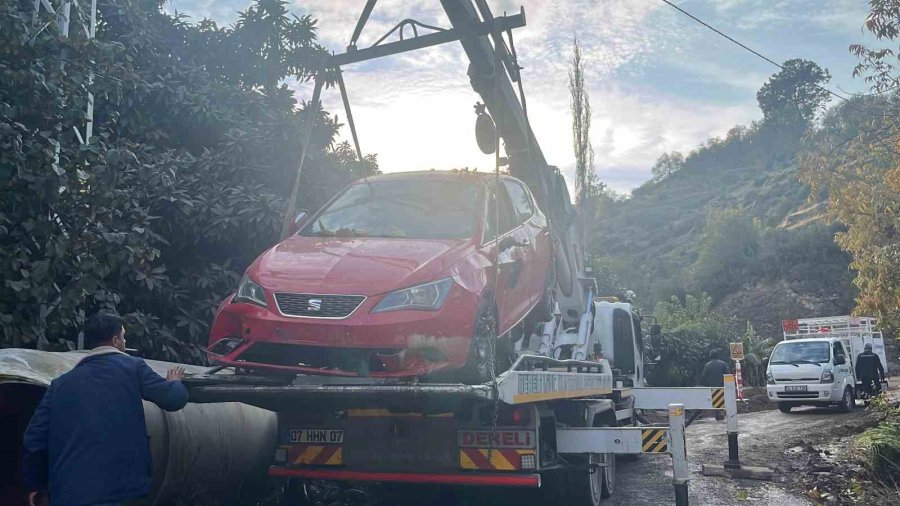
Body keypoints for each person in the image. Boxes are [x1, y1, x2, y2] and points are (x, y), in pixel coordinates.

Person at [22, 313, 189, 506]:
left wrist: (37, 485)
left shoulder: (60, 384)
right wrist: (174, 383)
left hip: (68, 494)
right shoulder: (132, 367)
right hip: (118, 491)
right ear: (116, 340)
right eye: (124, 337)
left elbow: (34, 439)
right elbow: (174, 399)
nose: (125, 341)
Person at [699, 349, 731, 420]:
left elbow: (703, 376)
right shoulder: (723, 364)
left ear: (710, 356)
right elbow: (728, 375)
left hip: (712, 386)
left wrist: (706, 384)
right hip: (722, 386)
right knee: (722, 400)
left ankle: (717, 414)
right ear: (718, 355)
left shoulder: (707, 365)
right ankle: (721, 414)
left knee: (715, 400)